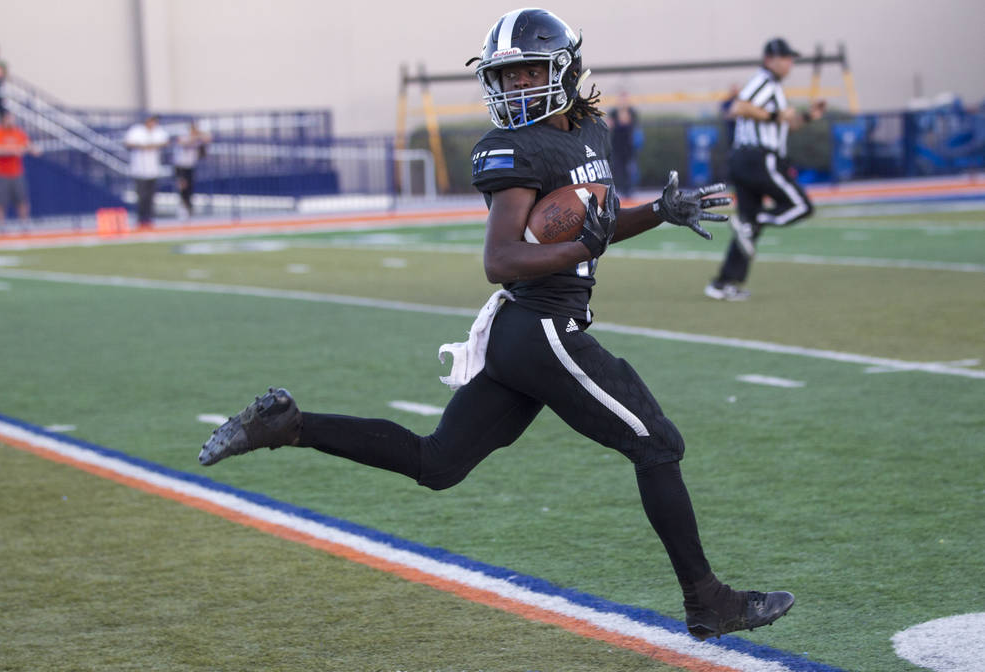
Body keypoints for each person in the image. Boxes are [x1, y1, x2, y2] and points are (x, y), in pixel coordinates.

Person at [199, 8, 794, 642]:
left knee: (439, 462)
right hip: (541, 326)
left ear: (564, 68)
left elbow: (594, 222)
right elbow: (501, 259)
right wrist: (577, 248)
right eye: (506, 78)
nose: (516, 88)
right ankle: (709, 603)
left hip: (524, 336)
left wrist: (657, 211)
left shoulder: (590, 132)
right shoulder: (516, 150)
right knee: (657, 444)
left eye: (528, 72)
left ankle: (290, 425)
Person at [705, 38, 826, 301]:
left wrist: (808, 117)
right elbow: (739, 107)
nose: (790, 63)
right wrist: (774, 116)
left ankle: (724, 282)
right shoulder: (764, 82)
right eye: (786, 58)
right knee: (801, 206)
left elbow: (785, 124)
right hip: (757, 158)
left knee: (748, 227)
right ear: (771, 59)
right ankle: (751, 224)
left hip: (747, 159)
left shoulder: (773, 87)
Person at [0, 111, 39, 228]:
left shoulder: (18, 133)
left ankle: (25, 224)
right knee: (0, 202)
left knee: (22, 199)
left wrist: (32, 149)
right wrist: (12, 150)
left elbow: (31, 147)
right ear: (3, 119)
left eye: (12, 119)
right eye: (9, 119)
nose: (12, 121)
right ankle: (1, 226)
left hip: (16, 172)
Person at [123, 114, 169, 229]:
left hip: (152, 170)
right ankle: (140, 219)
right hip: (139, 170)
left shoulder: (158, 131)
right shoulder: (136, 131)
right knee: (141, 195)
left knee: (151, 196)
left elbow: (165, 142)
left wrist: (152, 146)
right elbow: (128, 143)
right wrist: (142, 146)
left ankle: (149, 219)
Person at [171, 120, 211, 219]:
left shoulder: (198, 137)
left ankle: (189, 207)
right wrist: (196, 137)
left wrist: (200, 135)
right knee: (182, 187)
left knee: (190, 188)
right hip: (180, 165)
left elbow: (208, 139)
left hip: (190, 165)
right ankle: (182, 207)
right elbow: (184, 143)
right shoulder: (184, 134)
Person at [608, 94, 639, 197]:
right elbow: (610, 124)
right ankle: (618, 189)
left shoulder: (632, 112)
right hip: (616, 144)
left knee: (629, 168)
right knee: (617, 167)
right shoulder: (613, 112)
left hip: (628, 145)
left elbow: (630, 123)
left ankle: (628, 190)